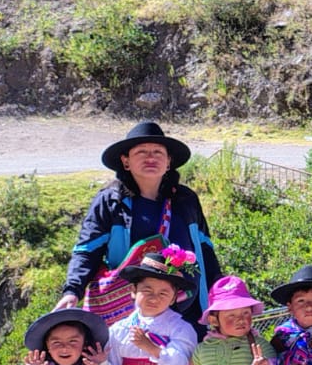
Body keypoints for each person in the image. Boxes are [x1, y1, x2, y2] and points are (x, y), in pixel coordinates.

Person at [58, 121, 221, 324]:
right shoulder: (111, 200)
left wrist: (219, 295)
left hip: (187, 314)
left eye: (158, 152)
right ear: (126, 161)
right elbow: (87, 250)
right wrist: (73, 290)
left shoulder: (185, 199)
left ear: (168, 161)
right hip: (132, 314)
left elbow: (205, 251)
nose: (150, 158)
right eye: (141, 152)